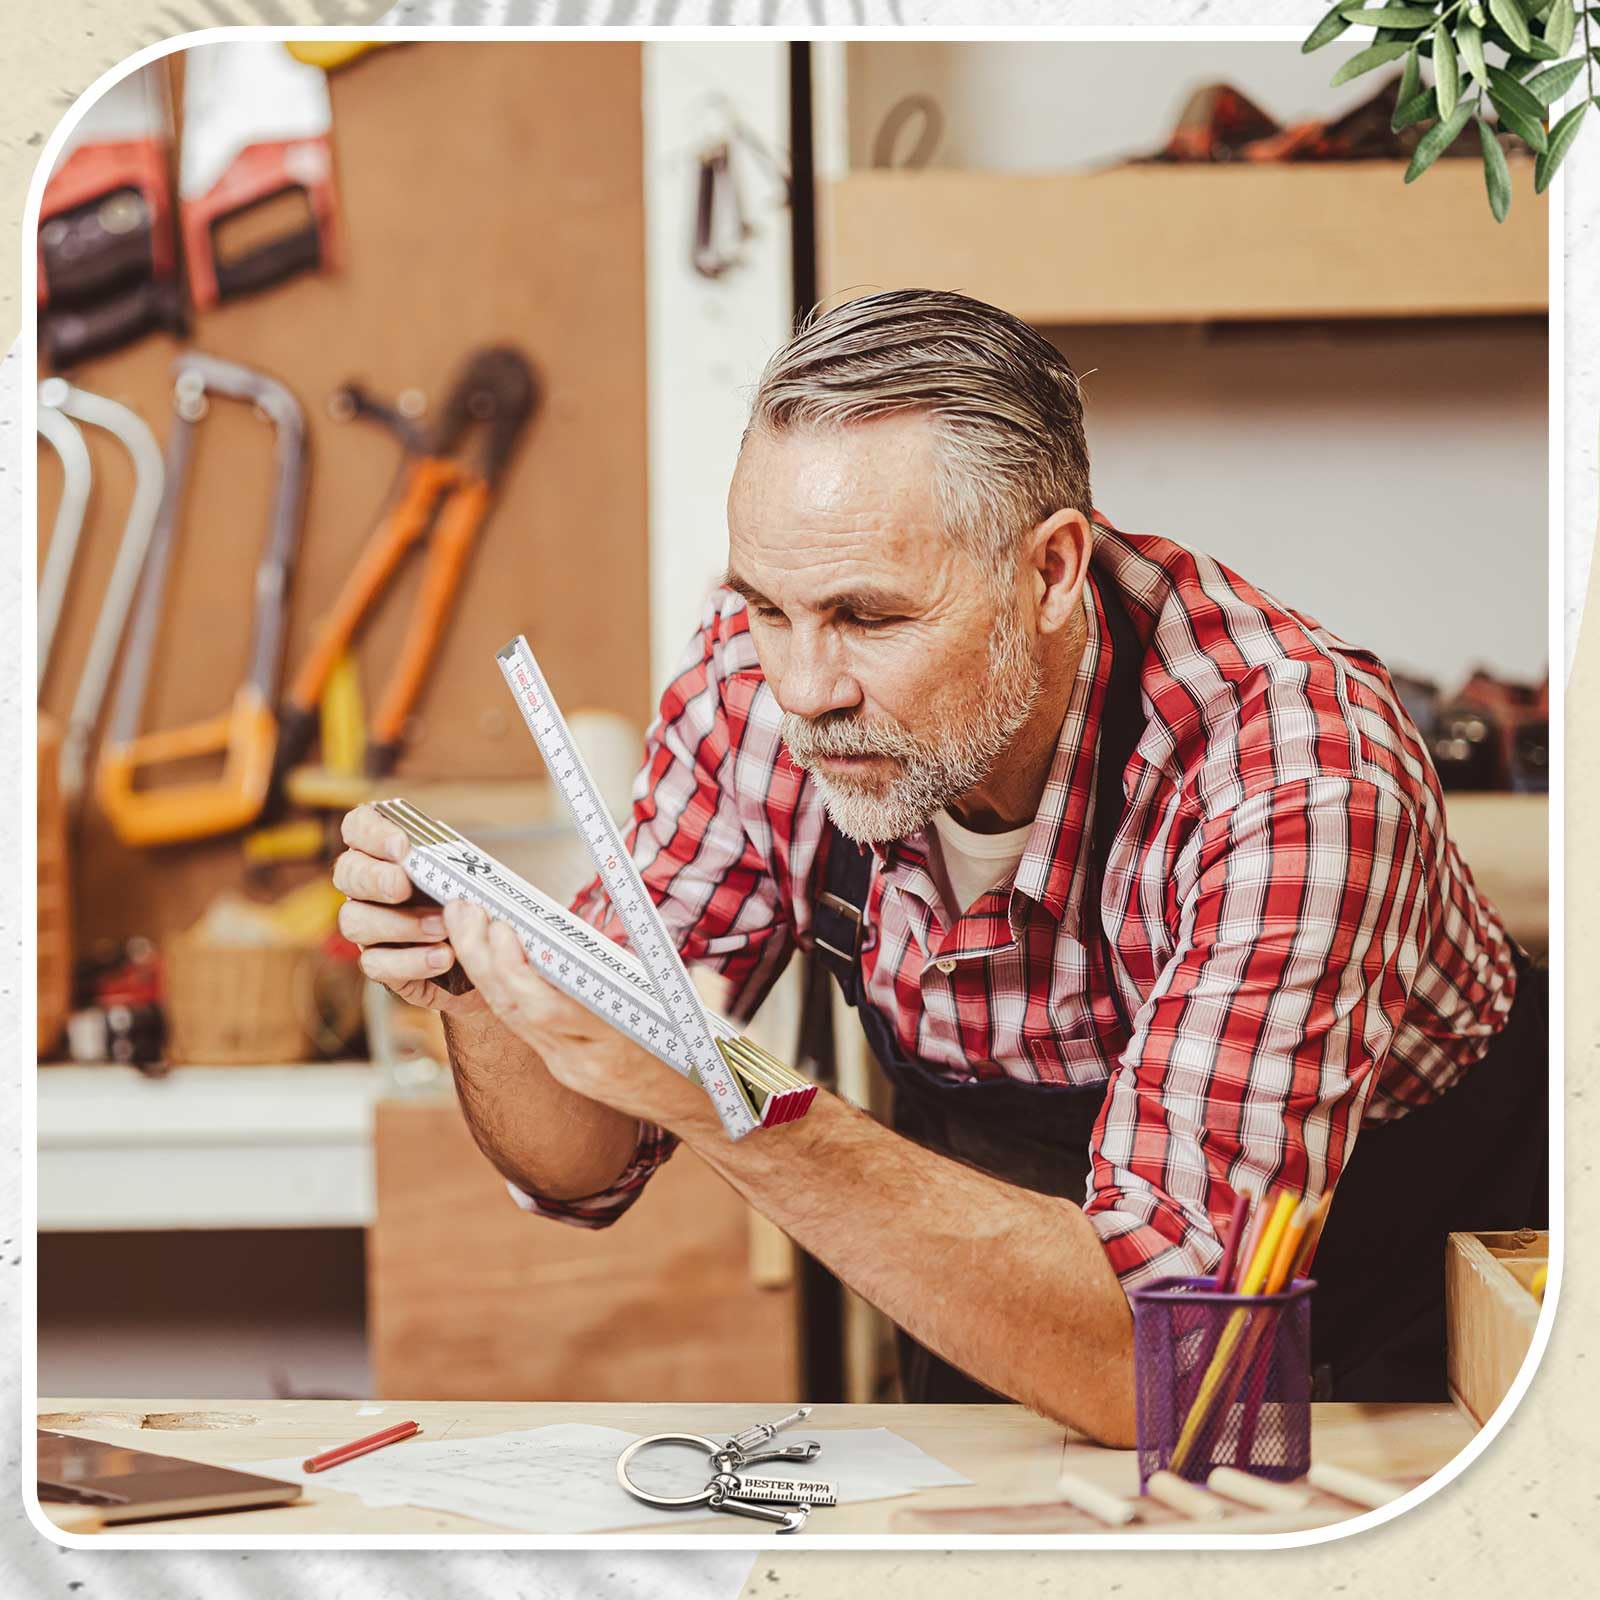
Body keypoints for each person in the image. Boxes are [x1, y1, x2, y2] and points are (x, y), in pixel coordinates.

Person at [334, 290, 1546, 1445]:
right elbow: (584, 1163)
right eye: (767, 606)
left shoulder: (1294, 773)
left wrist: (726, 1098)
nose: (806, 691)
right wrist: (476, 986)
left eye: (868, 618)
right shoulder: (758, 678)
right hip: (1011, 1307)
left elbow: (1187, 1362)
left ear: (1052, 572)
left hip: (1379, 1340)